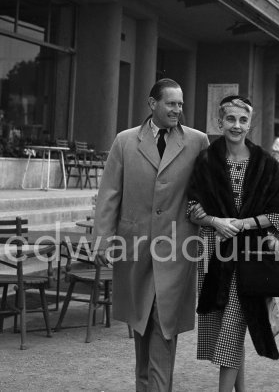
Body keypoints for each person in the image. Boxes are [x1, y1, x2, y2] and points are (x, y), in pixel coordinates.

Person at [93, 78, 209, 392]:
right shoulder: (125, 141)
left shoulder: (197, 142)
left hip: (177, 251)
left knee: (163, 324)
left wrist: (207, 214)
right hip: (136, 250)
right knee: (141, 324)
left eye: (181, 104)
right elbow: (109, 194)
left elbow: (209, 189)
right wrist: (102, 239)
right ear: (152, 103)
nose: (177, 110)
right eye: (171, 103)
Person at [186, 95, 279, 392]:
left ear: (250, 124)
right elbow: (191, 207)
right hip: (213, 254)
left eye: (243, 120)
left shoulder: (266, 164)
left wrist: (245, 224)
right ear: (220, 122)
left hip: (249, 257)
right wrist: (216, 222)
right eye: (230, 119)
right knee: (227, 327)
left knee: (232, 326)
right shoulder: (205, 161)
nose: (237, 125)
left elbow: (278, 213)